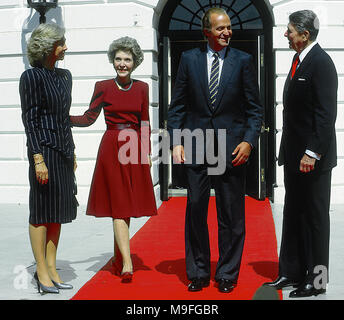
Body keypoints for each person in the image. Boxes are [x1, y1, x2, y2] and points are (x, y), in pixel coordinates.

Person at [167, 7, 263, 293]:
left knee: (231, 214)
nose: (227, 33)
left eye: (229, 27)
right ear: (206, 31)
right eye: (220, 28)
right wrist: (176, 141)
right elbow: (178, 107)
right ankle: (197, 271)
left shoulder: (243, 61)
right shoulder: (188, 60)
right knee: (196, 209)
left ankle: (227, 274)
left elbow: (255, 110)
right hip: (196, 146)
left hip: (232, 149)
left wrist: (249, 140)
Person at [70, 37, 157, 283]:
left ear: (135, 62)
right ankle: (128, 263)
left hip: (133, 148)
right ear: (113, 61)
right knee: (119, 206)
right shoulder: (103, 86)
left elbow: (144, 123)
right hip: (111, 148)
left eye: (127, 59)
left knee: (126, 206)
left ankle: (119, 259)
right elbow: (89, 118)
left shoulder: (142, 88)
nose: (122, 63)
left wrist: (147, 152)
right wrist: (63, 118)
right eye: (118, 59)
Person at [264, 10, 337, 298]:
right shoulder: (298, 61)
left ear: (305, 35)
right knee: (293, 214)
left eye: (290, 30)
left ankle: (316, 281)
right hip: (293, 156)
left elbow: (326, 114)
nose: (286, 34)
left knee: (315, 218)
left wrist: (312, 152)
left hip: (312, 159)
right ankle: (290, 271)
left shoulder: (321, 64)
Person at [19, 23, 77, 294]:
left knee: (58, 212)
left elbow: (64, 118)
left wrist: (73, 150)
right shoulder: (31, 77)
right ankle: (41, 271)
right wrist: (37, 158)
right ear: (48, 48)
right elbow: (29, 120)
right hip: (44, 151)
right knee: (42, 212)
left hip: (63, 151)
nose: (65, 47)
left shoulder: (65, 76)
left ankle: (53, 268)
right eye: (61, 43)